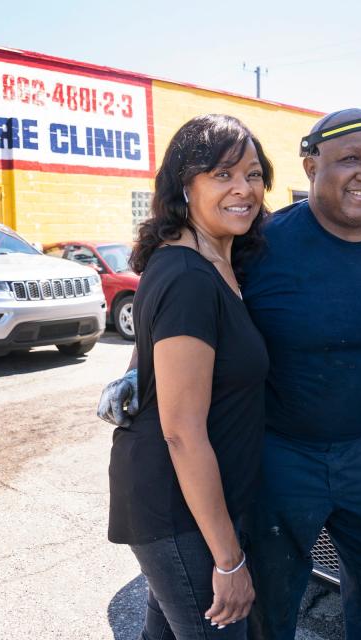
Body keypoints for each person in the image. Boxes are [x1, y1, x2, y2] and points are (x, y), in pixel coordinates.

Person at [99, 108, 361, 640]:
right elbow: (185, 312)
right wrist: (136, 368)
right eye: (349, 158)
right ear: (311, 167)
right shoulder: (263, 242)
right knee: (269, 602)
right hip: (278, 455)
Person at [107, 114, 274, 639]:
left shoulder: (214, 260)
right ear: (186, 184)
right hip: (181, 513)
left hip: (190, 506)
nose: (243, 189)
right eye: (222, 175)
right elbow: (181, 430)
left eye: (252, 174)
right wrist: (228, 561)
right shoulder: (188, 276)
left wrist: (134, 373)